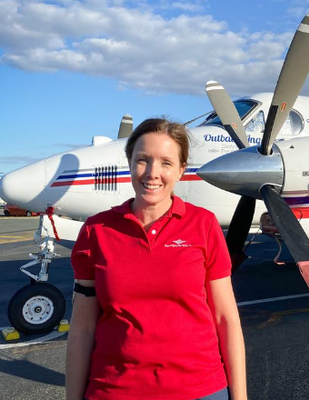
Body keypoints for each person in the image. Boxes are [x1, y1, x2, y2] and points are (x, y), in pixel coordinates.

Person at [65, 118, 247, 400]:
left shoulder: (204, 225)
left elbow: (226, 319)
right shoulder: (96, 231)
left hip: (199, 389)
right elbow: (82, 328)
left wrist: (240, 396)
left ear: (180, 170)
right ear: (129, 163)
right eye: (143, 160)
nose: (152, 173)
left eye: (166, 162)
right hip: (114, 390)